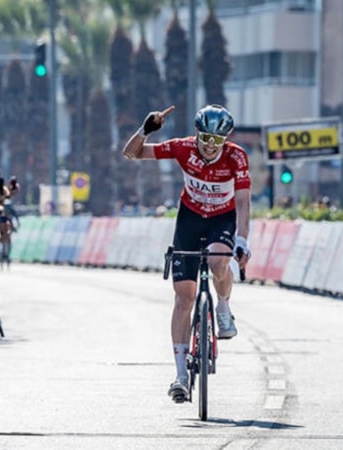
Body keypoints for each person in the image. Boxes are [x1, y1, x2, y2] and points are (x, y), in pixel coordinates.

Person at [121, 104, 251, 403]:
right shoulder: (183, 148)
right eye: (204, 139)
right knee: (184, 298)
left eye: (216, 141)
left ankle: (223, 305)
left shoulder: (237, 157)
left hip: (222, 218)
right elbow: (132, 153)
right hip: (190, 219)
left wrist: (242, 240)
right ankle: (180, 375)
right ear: (197, 134)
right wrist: (146, 130)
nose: (209, 146)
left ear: (226, 140)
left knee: (220, 261)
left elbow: (243, 202)